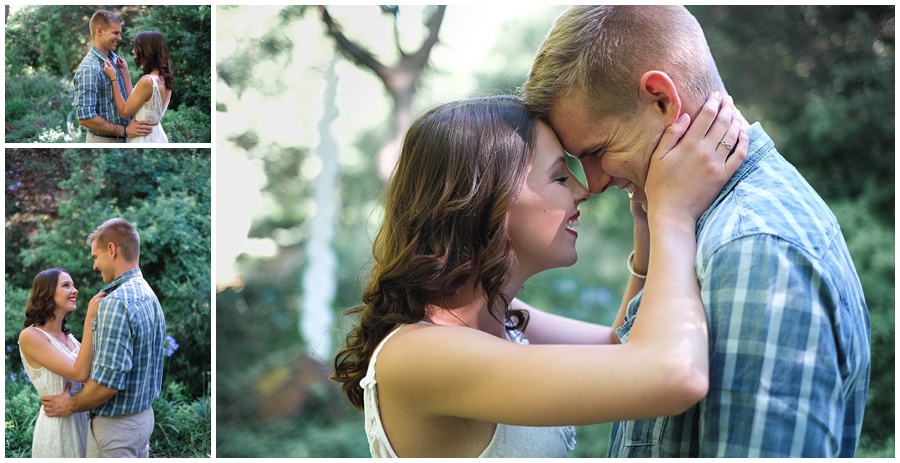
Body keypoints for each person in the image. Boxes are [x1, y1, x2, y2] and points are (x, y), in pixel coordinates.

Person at [520, 5, 871, 458]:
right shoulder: (702, 228)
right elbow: (622, 350)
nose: (596, 183)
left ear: (662, 101)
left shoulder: (753, 251)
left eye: (598, 150)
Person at [331, 93, 748, 457]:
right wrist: (673, 213)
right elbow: (675, 377)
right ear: (491, 197)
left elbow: (616, 343)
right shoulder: (419, 355)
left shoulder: (500, 314)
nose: (583, 191)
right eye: (559, 176)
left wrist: (646, 224)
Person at [40, 218, 167, 458]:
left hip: (115, 430)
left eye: (96, 257)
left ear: (112, 249)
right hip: (143, 420)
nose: (95, 266)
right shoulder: (148, 293)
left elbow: (107, 384)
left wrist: (70, 405)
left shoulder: (116, 302)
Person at [18, 268, 105, 458]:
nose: (75, 290)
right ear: (47, 293)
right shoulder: (31, 336)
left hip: (81, 422)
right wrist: (90, 318)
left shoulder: (71, 339)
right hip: (56, 427)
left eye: (73, 285)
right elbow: (80, 373)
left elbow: (93, 377)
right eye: (66, 285)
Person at [73, 10, 152, 143]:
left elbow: (128, 102)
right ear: (99, 31)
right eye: (115, 33)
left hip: (126, 141)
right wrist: (125, 131)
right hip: (104, 142)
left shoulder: (116, 61)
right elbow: (85, 118)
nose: (120, 38)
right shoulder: (89, 68)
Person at [102, 30, 173, 143]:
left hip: (143, 138)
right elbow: (135, 103)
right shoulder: (164, 78)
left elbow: (125, 112)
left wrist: (113, 78)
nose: (133, 51)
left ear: (144, 51)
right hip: (157, 136)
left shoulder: (147, 81)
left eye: (135, 47)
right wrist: (125, 72)